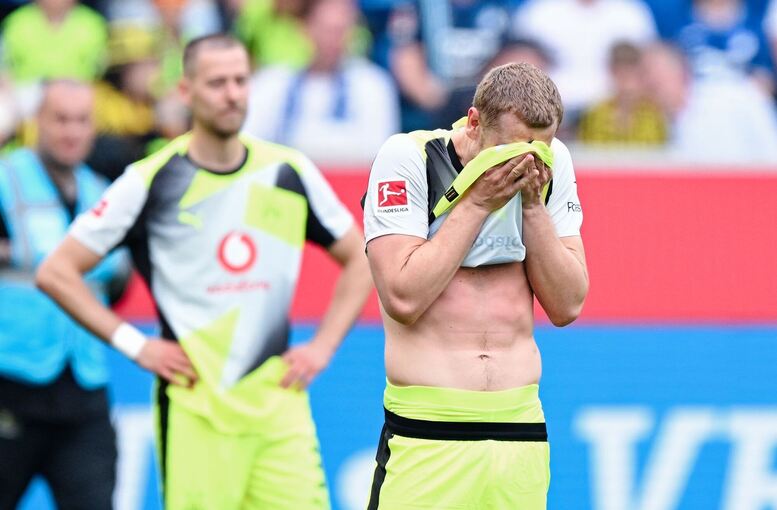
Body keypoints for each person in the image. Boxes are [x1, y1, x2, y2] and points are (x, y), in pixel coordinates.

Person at [36, 34, 372, 509]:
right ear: (186, 92)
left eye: (240, 80)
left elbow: (360, 257)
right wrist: (137, 345)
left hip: (278, 411)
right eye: (217, 83)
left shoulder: (288, 170)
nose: (232, 93)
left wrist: (322, 347)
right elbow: (56, 271)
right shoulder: (150, 182)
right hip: (196, 410)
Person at [362, 62, 589, 509]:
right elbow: (403, 296)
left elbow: (568, 304)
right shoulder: (411, 158)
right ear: (473, 122)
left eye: (539, 150)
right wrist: (479, 200)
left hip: (519, 430)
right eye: (509, 149)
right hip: (427, 432)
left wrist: (530, 206)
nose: (526, 162)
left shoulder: (552, 162)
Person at [0, 80, 128, 510]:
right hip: (10, 385)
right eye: (60, 119)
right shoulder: (5, 178)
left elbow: (117, 283)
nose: (71, 132)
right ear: (37, 122)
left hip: (82, 388)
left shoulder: (103, 193)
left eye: (81, 120)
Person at [243, 0, 399, 165]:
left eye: (341, 30)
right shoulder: (271, 83)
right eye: (326, 30)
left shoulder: (373, 84)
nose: (333, 40)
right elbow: (249, 143)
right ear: (305, 29)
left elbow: (380, 152)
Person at [578, 41, 667, 145]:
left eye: (632, 76)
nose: (627, 86)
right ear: (612, 73)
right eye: (622, 77)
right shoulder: (595, 115)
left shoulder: (654, 116)